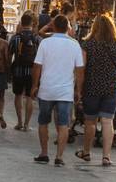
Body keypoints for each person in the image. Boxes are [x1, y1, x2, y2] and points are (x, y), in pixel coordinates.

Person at [31, 14, 84, 166]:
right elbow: (80, 70)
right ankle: (59, 157)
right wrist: (78, 91)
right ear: (68, 27)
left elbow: (37, 67)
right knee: (63, 125)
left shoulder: (45, 43)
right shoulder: (75, 45)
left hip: (46, 89)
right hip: (65, 92)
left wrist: (34, 85)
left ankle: (44, 153)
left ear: (53, 27)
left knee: (43, 122)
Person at [77, 12, 116, 166]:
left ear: (94, 27)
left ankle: (87, 152)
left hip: (92, 86)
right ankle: (106, 156)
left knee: (90, 121)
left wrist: (78, 89)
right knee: (108, 122)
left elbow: (81, 68)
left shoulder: (87, 44)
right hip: (111, 87)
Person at [7, 11, 40, 131]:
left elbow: (9, 55)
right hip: (32, 72)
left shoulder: (15, 38)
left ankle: (19, 122)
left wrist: (9, 70)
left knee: (18, 96)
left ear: (21, 23)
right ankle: (27, 124)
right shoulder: (37, 39)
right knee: (29, 97)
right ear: (32, 24)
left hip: (18, 71)